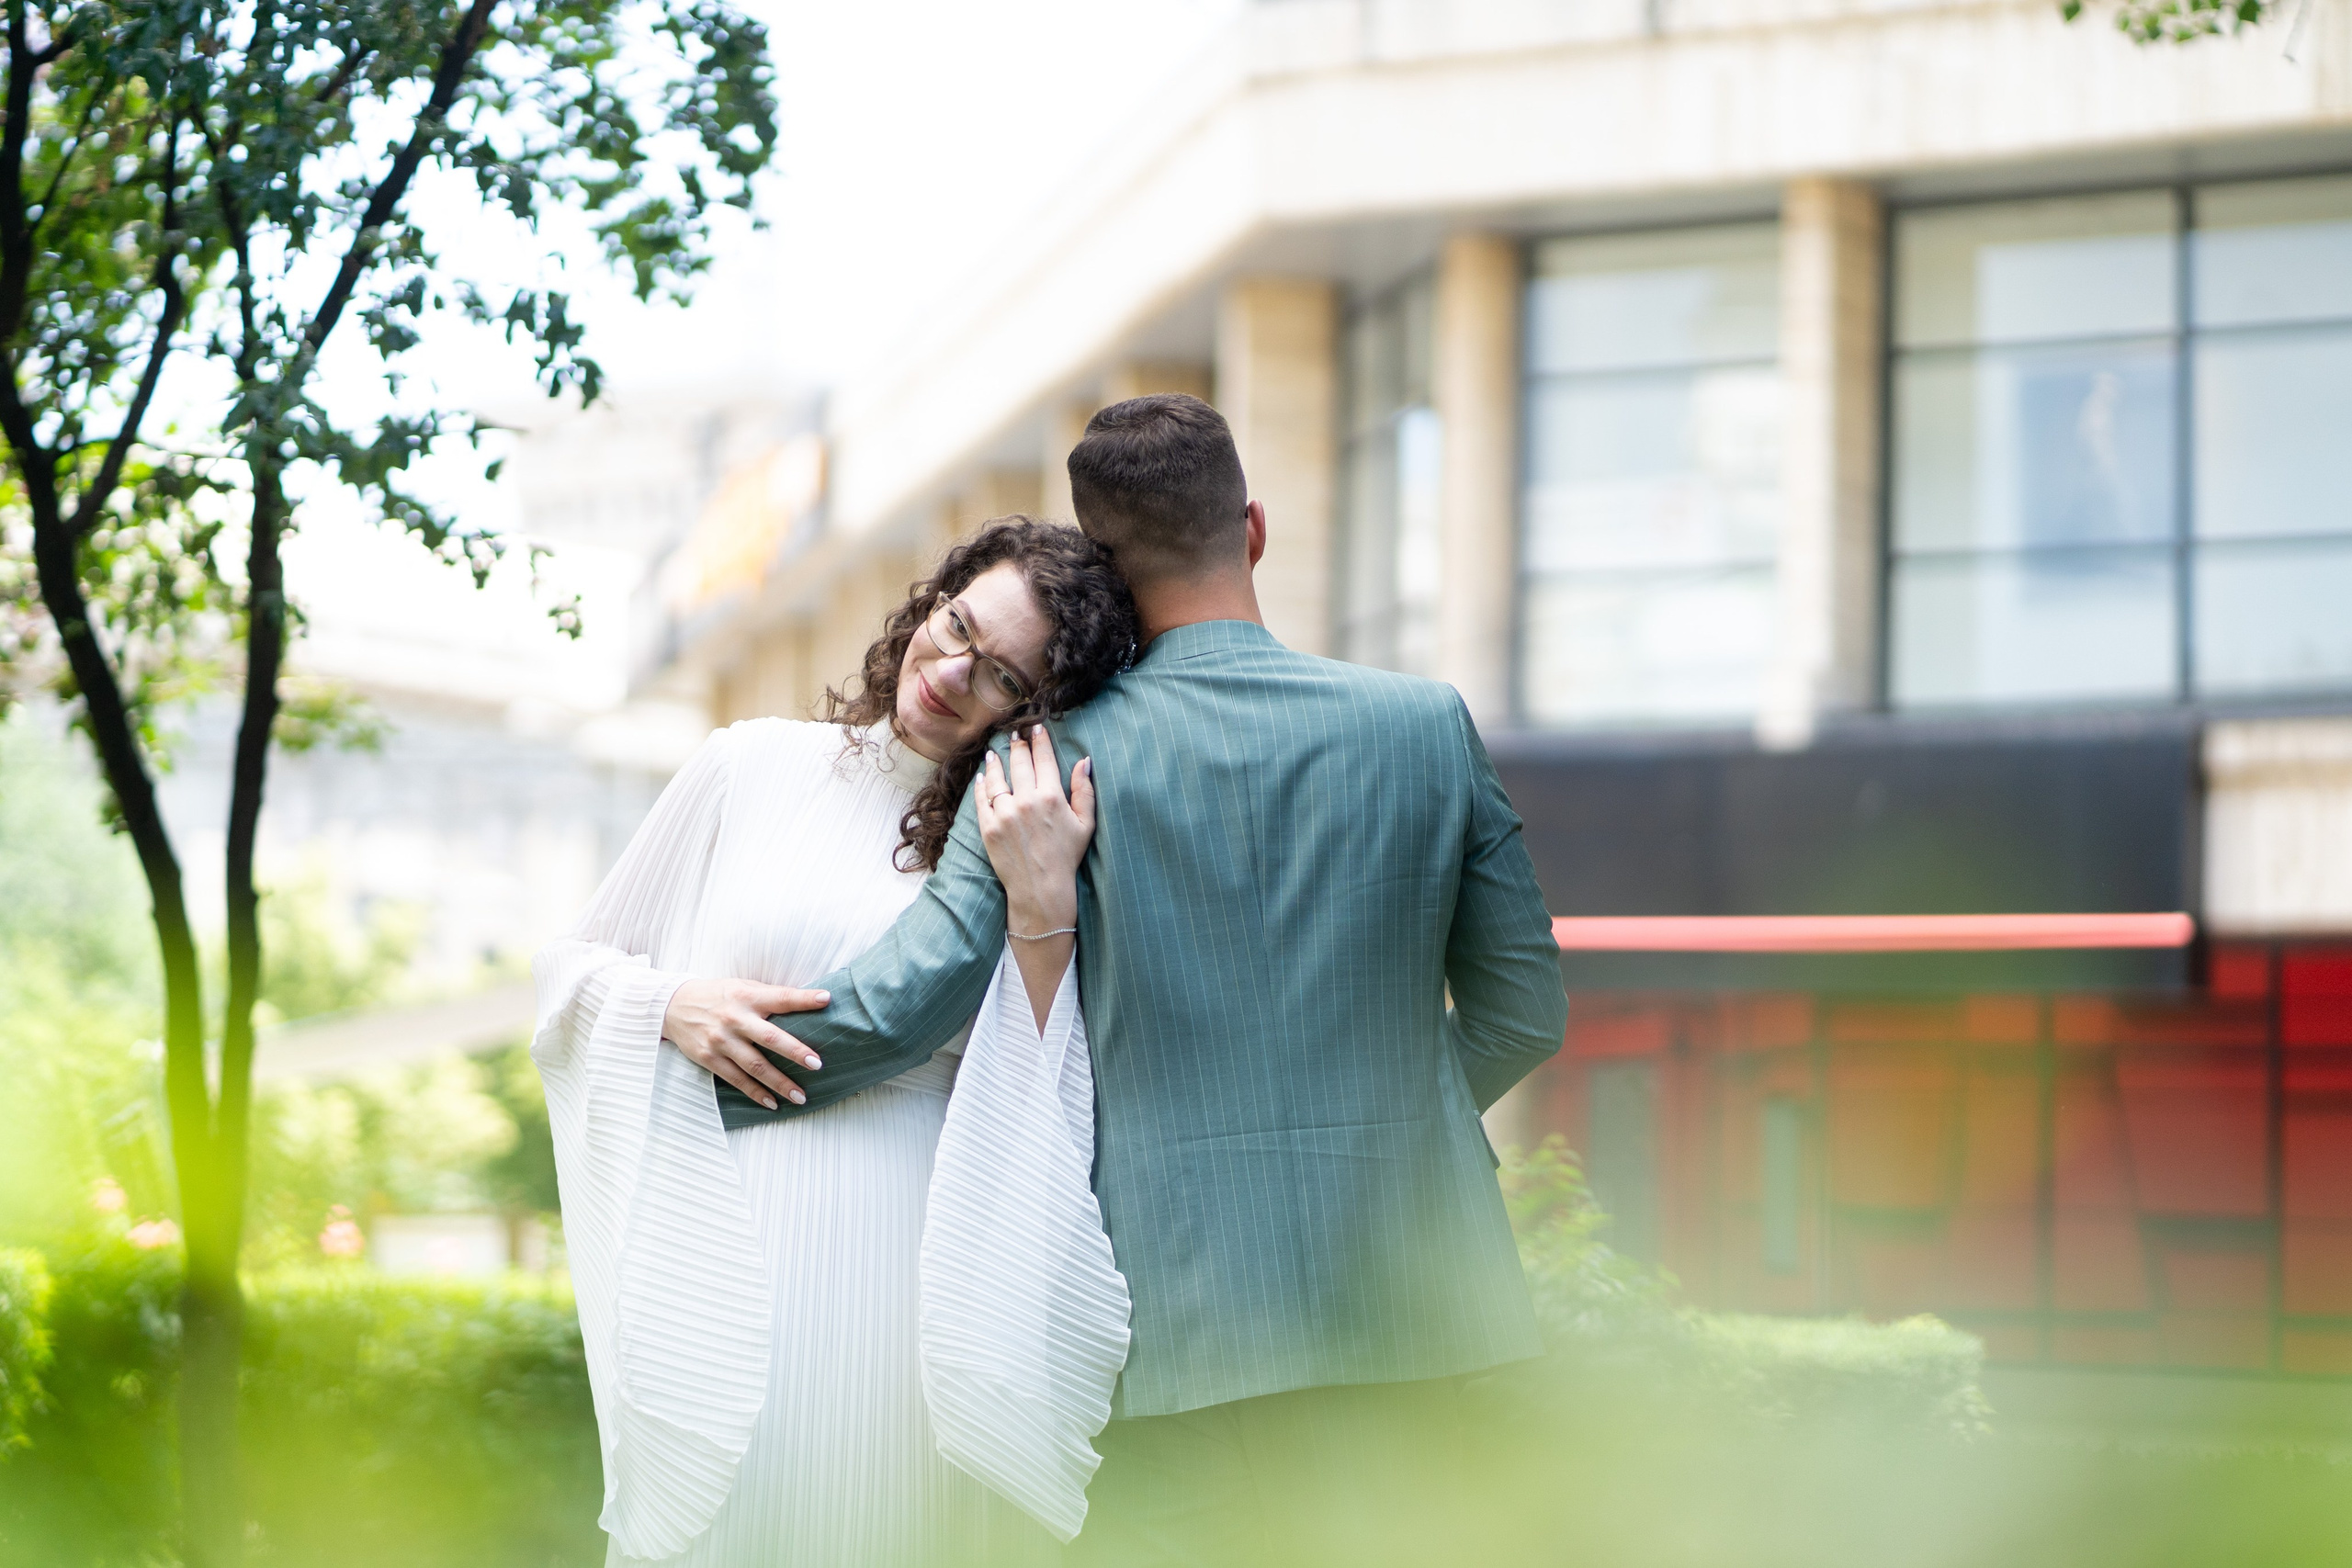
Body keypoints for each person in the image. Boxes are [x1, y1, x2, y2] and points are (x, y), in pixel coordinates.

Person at [752, 394, 1570, 1566]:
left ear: (1103, 566)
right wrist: (1394, 1123)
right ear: (1253, 528)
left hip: (1169, 1341)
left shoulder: (1047, 760)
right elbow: (1524, 1010)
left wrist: (669, 1049)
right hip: (1426, 1316)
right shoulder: (1426, 725)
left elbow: (898, 1009)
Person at [531, 518, 1140, 1568]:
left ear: (1036, 714)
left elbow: (1043, 1071)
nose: (949, 673)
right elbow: (570, 974)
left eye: (999, 675)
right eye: (954, 627)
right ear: (930, 599)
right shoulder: (748, 763)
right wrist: (668, 1004)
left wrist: (1044, 895)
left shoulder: (1018, 836)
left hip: (908, 1276)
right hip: (720, 1239)